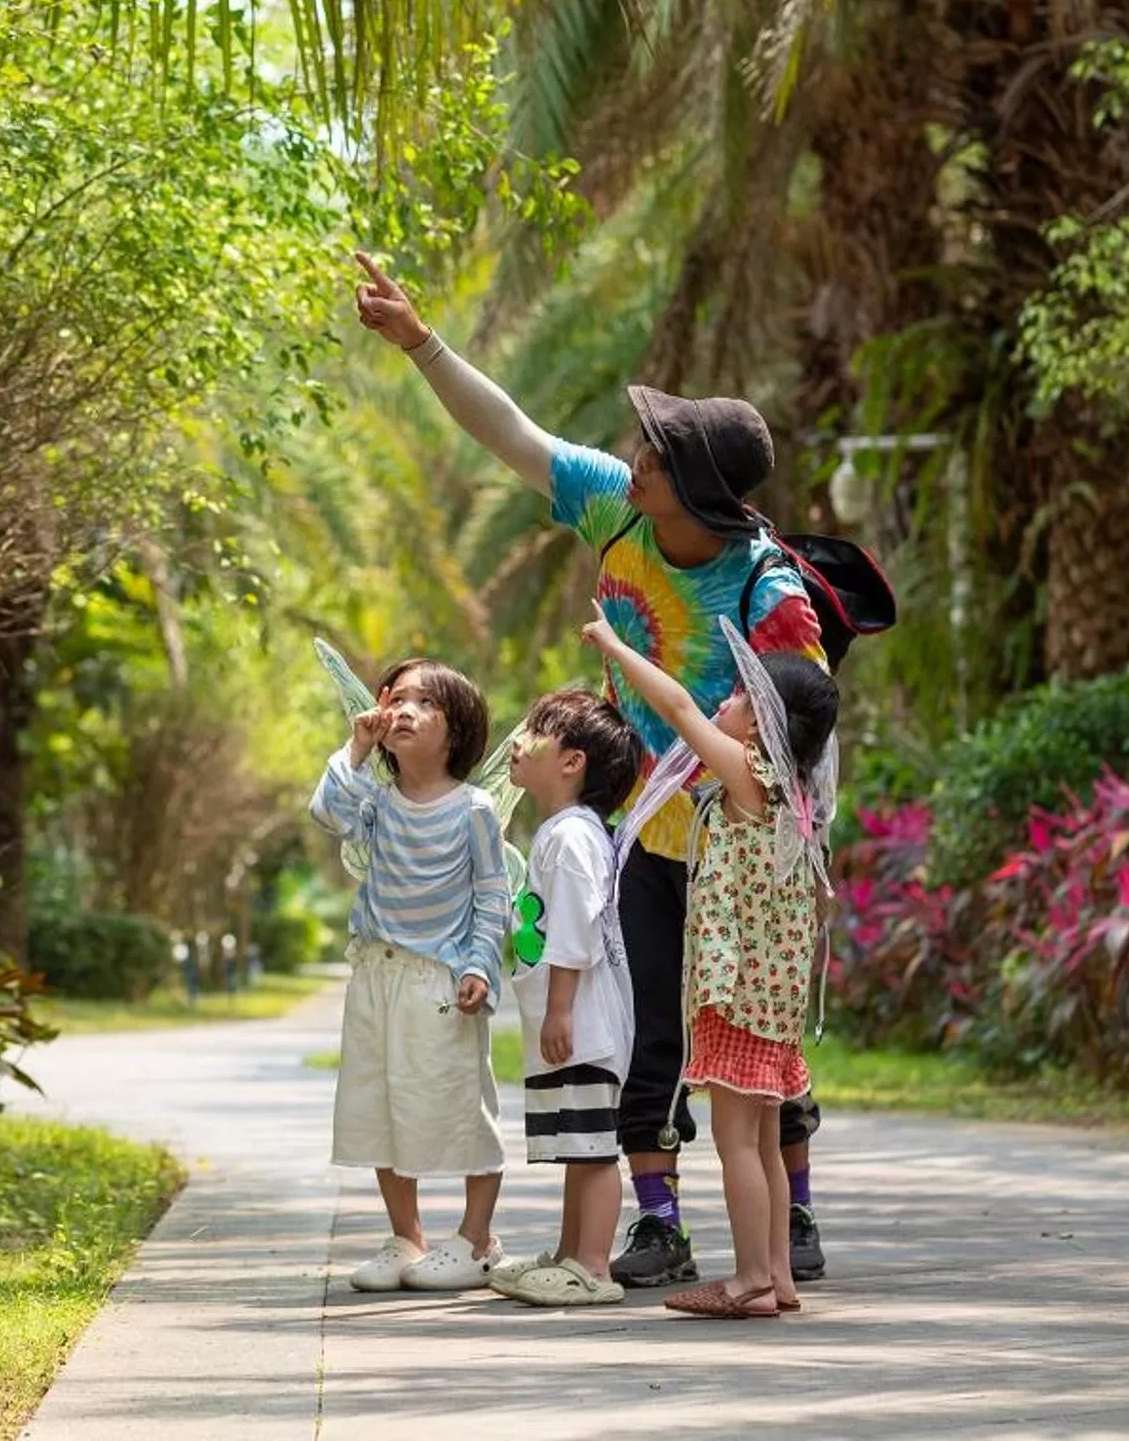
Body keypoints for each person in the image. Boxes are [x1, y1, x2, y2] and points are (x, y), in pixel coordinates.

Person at [351, 251, 832, 1290]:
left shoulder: (768, 587)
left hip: (738, 837)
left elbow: (804, 729)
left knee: (755, 1036)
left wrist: (779, 837)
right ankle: (660, 1219)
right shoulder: (620, 509)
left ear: (693, 480)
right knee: (653, 1026)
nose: (633, 457)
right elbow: (513, 433)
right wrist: (419, 342)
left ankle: (790, 1214)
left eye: (654, 451)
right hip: (642, 829)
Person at [581, 611, 836, 1319]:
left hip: (736, 996)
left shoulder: (750, 776)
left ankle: (749, 1278)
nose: (720, 703)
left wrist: (613, 646)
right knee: (762, 1138)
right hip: (773, 1003)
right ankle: (777, 1275)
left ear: (759, 727)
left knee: (736, 1145)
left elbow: (676, 707)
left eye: (737, 698)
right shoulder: (798, 793)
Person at [308, 656, 513, 1292]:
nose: (402, 709)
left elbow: (492, 893)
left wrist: (480, 963)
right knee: (382, 1104)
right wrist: (357, 743)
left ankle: (477, 1239)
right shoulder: (373, 800)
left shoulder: (474, 808)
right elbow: (325, 811)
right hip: (377, 973)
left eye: (424, 703)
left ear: (456, 730)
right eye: (395, 699)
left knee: (455, 1101)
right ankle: (407, 1237)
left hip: (440, 982)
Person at [486, 688, 642, 1308]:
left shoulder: (571, 837)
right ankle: (569, 1254)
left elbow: (576, 928)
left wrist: (558, 1009)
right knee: (580, 1145)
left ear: (572, 762)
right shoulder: (561, 832)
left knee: (595, 1149)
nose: (518, 739)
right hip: (572, 1018)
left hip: (583, 1021)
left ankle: (594, 1266)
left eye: (536, 730)